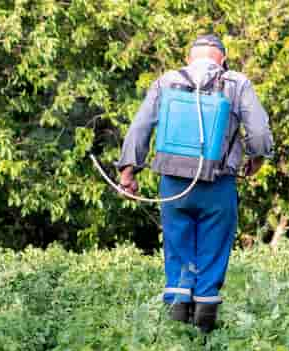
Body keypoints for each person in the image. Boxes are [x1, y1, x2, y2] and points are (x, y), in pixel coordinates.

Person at [114, 33, 274, 333]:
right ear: (222, 60)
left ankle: (176, 330)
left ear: (189, 59)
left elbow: (140, 127)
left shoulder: (166, 81)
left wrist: (127, 173)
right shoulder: (237, 83)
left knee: (177, 249)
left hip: (174, 185)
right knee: (213, 252)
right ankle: (204, 335)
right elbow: (260, 131)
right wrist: (257, 158)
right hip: (218, 185)